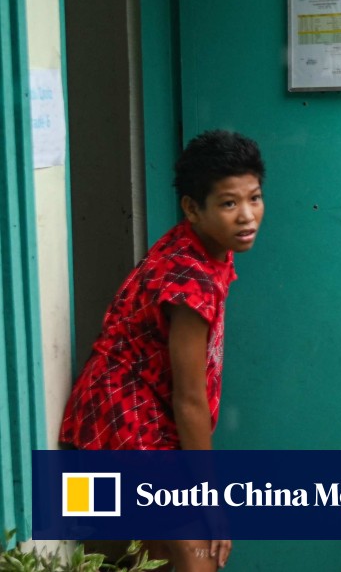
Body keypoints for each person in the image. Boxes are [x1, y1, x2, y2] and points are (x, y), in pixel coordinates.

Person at [59, 130, 266, 571]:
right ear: (192, 208)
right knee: (200, 551)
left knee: (147, 557)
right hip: (123, 423)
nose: (247, 216)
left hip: (128, 416)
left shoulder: (204, 245)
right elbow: (189, 399)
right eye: (229, 203)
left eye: (254, 198)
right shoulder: (189, 282)